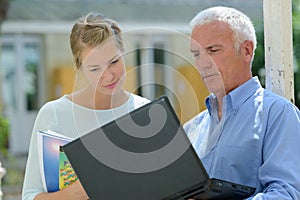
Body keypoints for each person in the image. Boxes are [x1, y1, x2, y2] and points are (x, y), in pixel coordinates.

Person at [22, 12, 150, 200]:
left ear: (123, 51)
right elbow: (29, 196)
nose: (108, 76)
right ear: (80, 67)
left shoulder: (145, 111)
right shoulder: (54, 114)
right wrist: (71, 194)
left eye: (114, 62)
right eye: (94, 68)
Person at [184, 6, 300, 199]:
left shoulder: (278, 114)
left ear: (246, 50)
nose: (202, 63)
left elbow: (287, 193)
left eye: (212, 50)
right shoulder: (191, 129)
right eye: (196, 54)